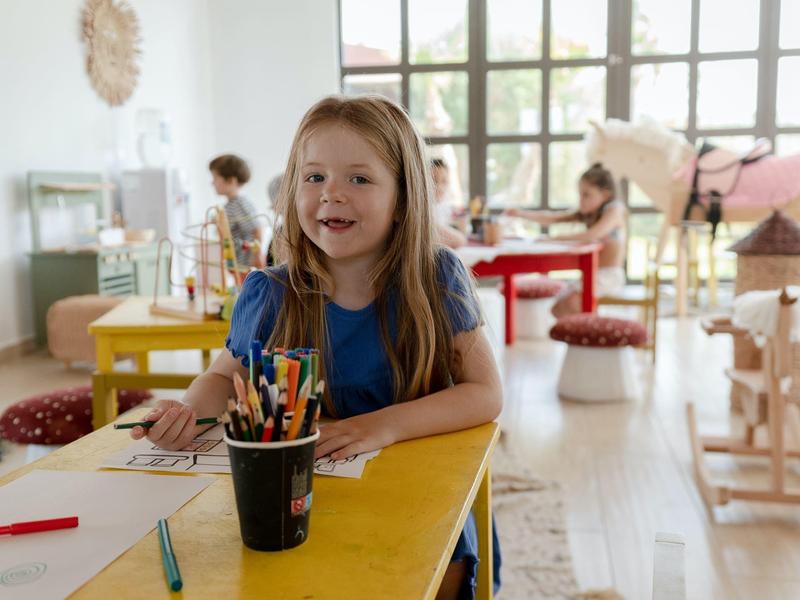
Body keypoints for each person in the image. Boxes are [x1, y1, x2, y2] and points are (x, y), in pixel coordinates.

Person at [131, 95, 503, 600]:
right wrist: (188, 412)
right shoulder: (268, 293)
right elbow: (224, 378)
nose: (331, 195)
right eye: (313, 178)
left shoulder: (437, 279)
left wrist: (383, 425)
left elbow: (485, 394)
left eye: (359, 178)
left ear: (404, 197)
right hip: (303, 501)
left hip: (422, 501)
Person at [506, 163, 626, 317]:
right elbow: (552, 218)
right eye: (580, 194)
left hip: (610, 277)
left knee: (572, 302)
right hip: (592, 276)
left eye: (586, 195)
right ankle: (582, 335)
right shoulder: (591, 212)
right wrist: (521, 213)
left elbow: (592, 235)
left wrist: (553, 239)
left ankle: (590, 333)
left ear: (606, 195)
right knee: (558, 307)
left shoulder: (615, 209)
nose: (581, 200)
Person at [209, 154, 265, 269]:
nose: (212, 183)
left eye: (215, 178)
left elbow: (257, 229)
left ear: (231, 180)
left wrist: (256, 256)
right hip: (235, 263)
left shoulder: (239, 204)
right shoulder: (229, 206)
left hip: (246, 265)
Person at [431, 158, 468, 248]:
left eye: (444, 181)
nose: (439, 187)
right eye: (434, 181)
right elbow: (460, 241)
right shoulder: (422, 211)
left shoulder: (442, 207)